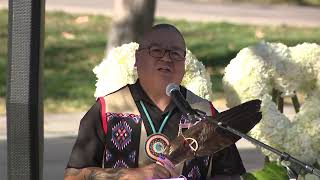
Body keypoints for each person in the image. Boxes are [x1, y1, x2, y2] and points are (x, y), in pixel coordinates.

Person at [64, 24, 246, 180]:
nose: (166, 58)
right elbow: (73, 176)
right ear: (137, 58)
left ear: (184, 63)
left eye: (175, 53)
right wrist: (130, 175)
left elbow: (229, 174)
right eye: (156, 51)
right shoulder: (107, 109)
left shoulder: (204, 114)